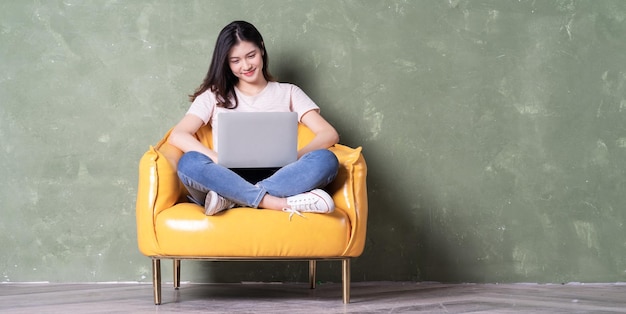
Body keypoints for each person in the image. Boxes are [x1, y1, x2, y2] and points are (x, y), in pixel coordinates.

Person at [168, 21, 340, 219]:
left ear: (262, 49)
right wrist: (217, 159)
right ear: (225, 62)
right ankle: (275, 202)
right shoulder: (213, 95)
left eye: (251, 56)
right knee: (189, 162)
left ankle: (232, 199)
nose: (246, 66)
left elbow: (329, 133)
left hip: (281, 175)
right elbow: (178, 135)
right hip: (225, 176)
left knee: (326, 160)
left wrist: (296, 155)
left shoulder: (289, 92)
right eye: (235, 60)